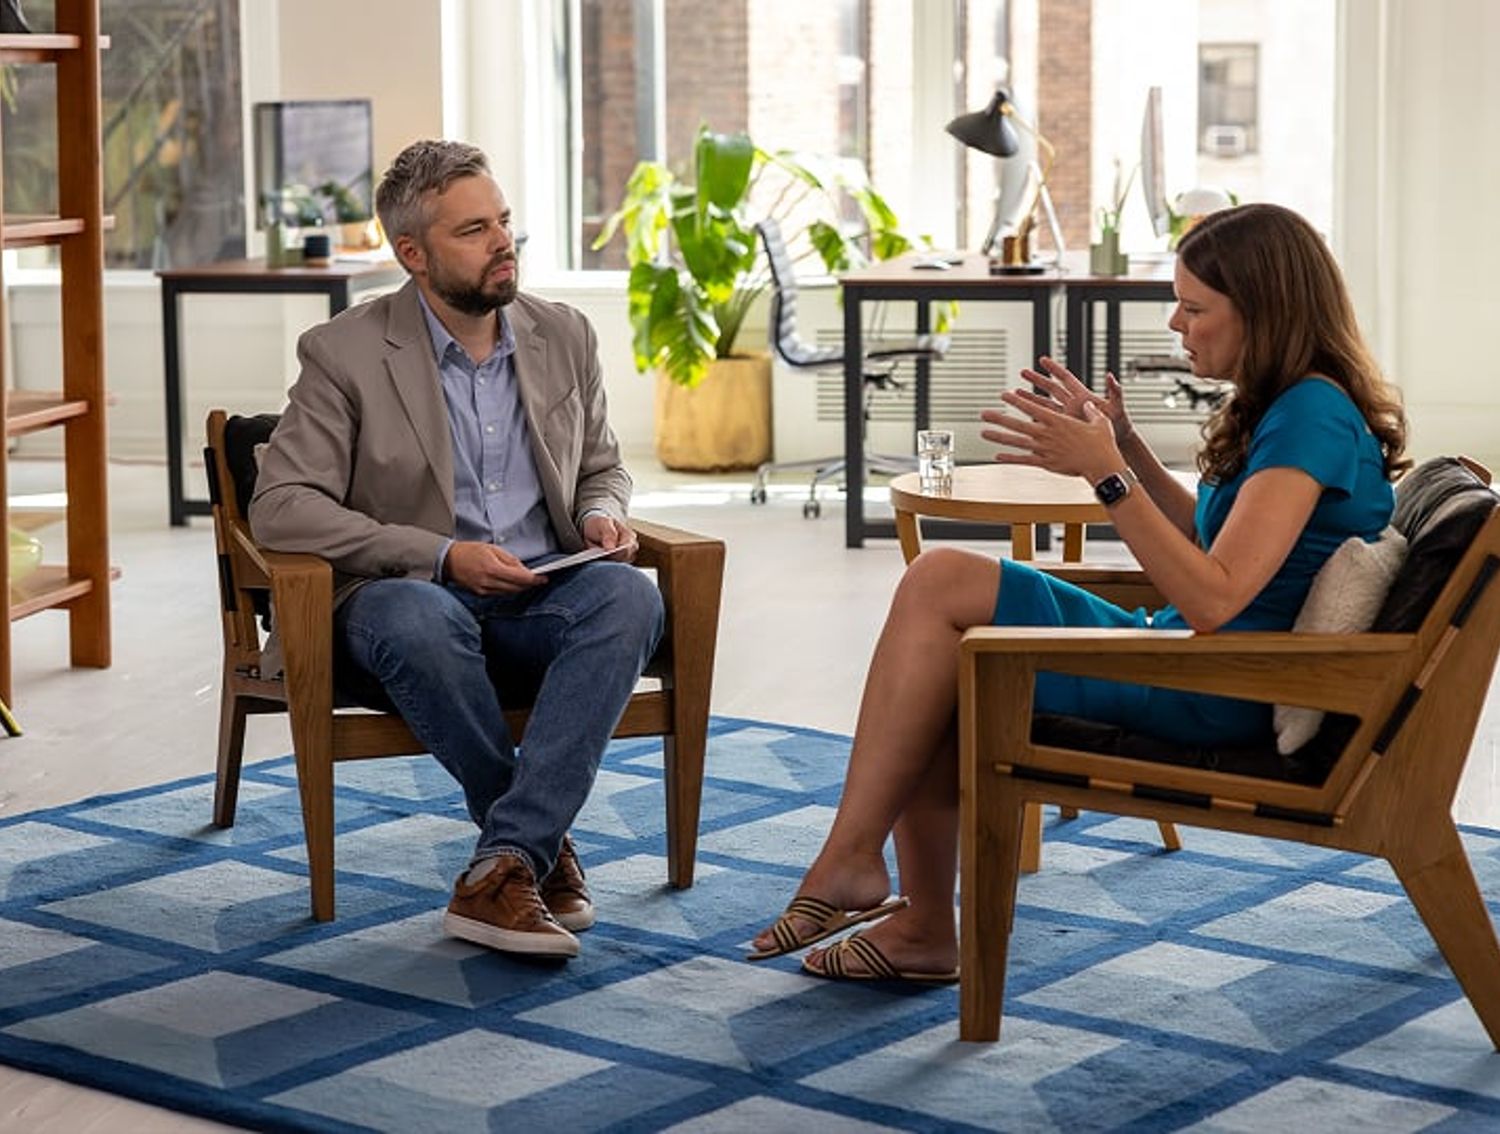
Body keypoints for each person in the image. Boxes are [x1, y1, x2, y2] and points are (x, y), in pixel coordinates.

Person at [749, 202, 1408, 982]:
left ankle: (868, 876)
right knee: (944, 603)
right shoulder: (1299, 405)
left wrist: (1108, 473)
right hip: (1198, 656)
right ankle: (905, 912)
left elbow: (1215, 599)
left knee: (941, 586)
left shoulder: (1310, 417)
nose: (1175, 323)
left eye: (1195, 308)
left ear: (1265, 313)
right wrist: (1126, 447)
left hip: (1218, 683)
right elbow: (1216, 546)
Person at [250, 140, 664, 960]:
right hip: (400, 609)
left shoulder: (565, 335)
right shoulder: (344, 352)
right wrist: (440, 555)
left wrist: (600, 516)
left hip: (538, 595)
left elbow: (603, 469)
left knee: (632, 597)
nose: (503, 242)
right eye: (474, 229)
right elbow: (282, 507)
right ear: (413, 254)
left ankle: (504, 863)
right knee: (417, 612)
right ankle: (530, 848)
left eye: (504, 221)